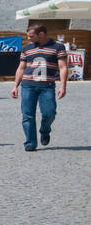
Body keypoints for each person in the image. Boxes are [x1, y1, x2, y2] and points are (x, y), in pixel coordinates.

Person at [11, 23, 68, 152]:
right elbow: (21, 68)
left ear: (41, 34)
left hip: (47, 86)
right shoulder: (26, 48)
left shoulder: (58, 47)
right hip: (27, 86)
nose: (29, 38)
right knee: (27, 115)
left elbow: (63, 67)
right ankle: (30, 143)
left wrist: (63, 86)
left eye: (31, 36)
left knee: (50, 113)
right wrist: (15, 85)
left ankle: (45, 130)